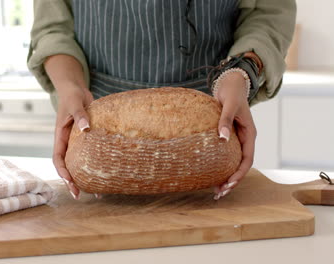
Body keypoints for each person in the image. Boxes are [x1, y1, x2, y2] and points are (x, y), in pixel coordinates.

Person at [27, 0, 296, 200]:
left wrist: (241, 72)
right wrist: (69, 86)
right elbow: (52, 29)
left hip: (213, 130)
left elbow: (268, 13)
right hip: (95, 135)